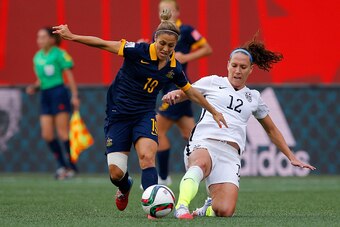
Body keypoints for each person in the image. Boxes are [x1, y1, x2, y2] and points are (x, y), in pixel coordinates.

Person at [52, 9, 226, 216]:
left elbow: (192, 92)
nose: (165, 48)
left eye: (171, 46)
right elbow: (102, 43)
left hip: (145, 114)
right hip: (118, 115)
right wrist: (72, 36)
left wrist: (214, 111)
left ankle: (152, 211)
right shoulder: (137, 51)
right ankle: (125, 186)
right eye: (162, 43)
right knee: (116, 173)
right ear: (155, 40)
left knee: (146, 157)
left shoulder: (173, 67)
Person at [162, 37, 316, 219]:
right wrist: (174, 95)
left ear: (251, 69)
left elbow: (272, 130)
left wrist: (291, 156)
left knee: (225, 211)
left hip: (230, 153)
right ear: (227, 65)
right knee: (200, 164)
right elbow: (187, 92)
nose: (237, 71)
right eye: (234, 65)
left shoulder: (254, 97)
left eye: (243, 67)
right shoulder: (212, 82)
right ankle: (182, 207)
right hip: (204, 141)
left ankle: (208, 208)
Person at [156, 0, 213, 186]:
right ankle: (207, 168)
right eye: (162, 10)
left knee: (157, 130)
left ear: (178, 12)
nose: (166, 13)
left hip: (178, 86)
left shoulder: (186, 31)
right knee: (191, 134)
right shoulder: (158, 33)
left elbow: (207, 49)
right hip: (168, 85)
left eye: (170, 10)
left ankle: (163, 177)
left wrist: (186, 57)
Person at [26, 27, 80, 180]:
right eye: (38, 37)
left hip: (59, 93)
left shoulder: (60, 54)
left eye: (43, 37)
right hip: (45, 95)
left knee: (63, 132)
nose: (39, 40)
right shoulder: (37, 57)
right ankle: (62, 165)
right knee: (47, 134)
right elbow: (40, 80)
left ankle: (71, 166)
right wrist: (34, 87)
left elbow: (69, 76)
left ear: (51, 39)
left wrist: (75, 95)